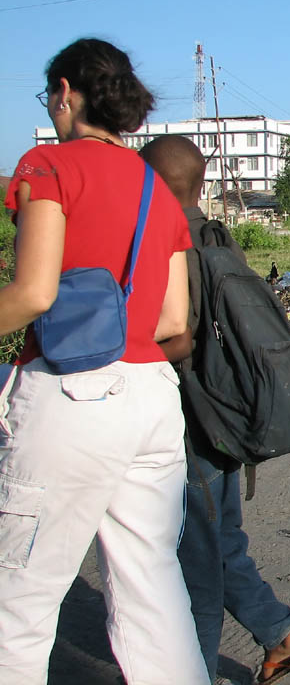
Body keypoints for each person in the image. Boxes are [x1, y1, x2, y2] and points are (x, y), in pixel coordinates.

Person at [0, 39, 209, 683]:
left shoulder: (48, 165)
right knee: (153, 586)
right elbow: (175, 322)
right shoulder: (155, 185)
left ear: (66, 92)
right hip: (151, 396)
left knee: (20, 599)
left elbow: (34, 292)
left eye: (51, 99)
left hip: (73, 395)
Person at [139, 135, 290, 685]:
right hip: (231, 417)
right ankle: (278, 631)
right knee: (221, 538)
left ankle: (194, 670)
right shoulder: (219, 240)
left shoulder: (162, 247)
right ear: (200, 182)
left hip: (189, 427)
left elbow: (173, 337)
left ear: (150, 183)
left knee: (195, 566)